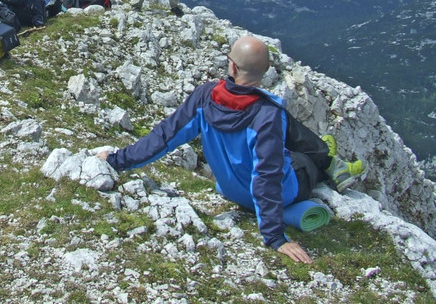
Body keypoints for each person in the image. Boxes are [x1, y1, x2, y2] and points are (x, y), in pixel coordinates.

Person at [98, 35, 366, 264]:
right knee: (304, 161)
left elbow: (164, 136)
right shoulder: (267, 115)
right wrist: (275, 237)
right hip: (275, 195)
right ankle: (329, 164)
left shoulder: (205, 95)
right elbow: (267, 175)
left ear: (232, 67)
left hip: (231, 190)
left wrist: (117, 160)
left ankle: (325, 156)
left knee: (287, 135)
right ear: (265, 72)